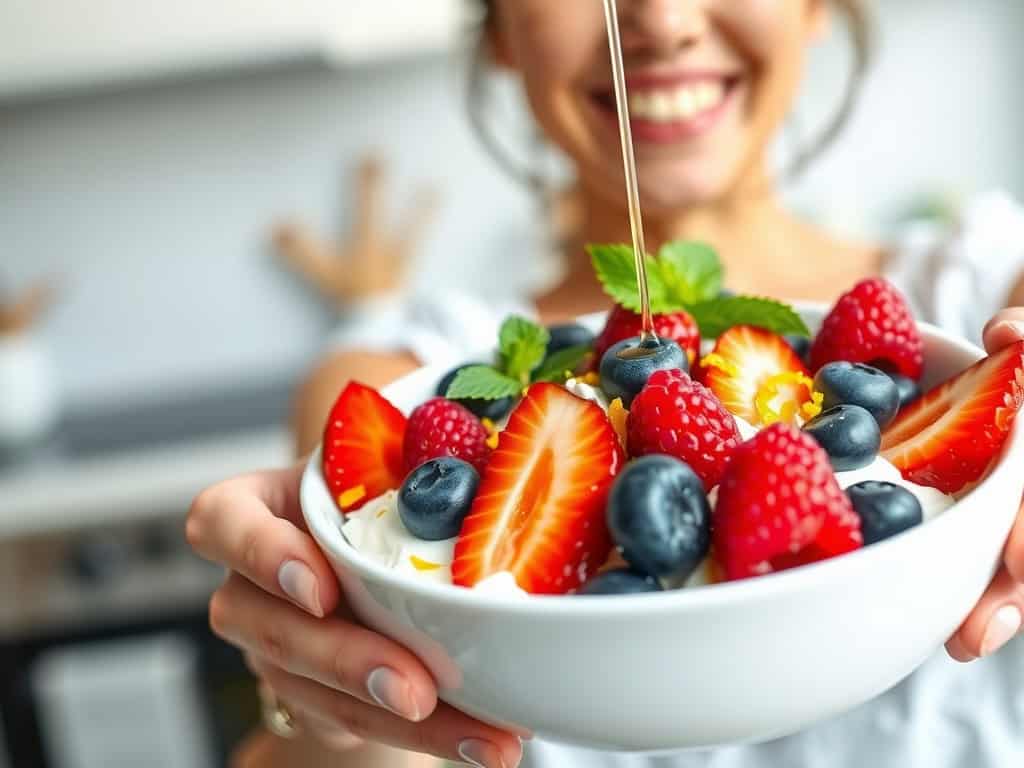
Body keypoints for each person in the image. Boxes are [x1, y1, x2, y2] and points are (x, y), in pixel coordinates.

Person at [185, 2, 1024, 766]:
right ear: (501, 30)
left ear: (814, 8)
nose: (658, 22)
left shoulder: (989, 297)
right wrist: (342, 712)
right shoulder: (406, 391)